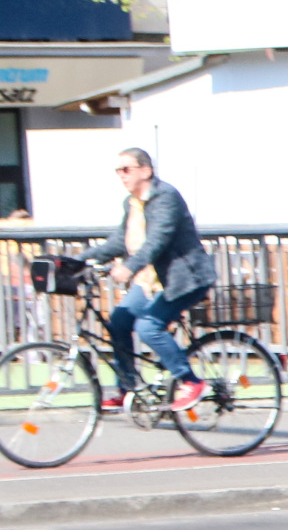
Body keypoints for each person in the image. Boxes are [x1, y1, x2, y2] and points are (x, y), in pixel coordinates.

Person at [84, 148, 217, 413]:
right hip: (150, 281)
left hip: (184, 279)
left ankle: (190, 381)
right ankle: (129, 388)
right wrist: (77, 260)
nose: (121, 176)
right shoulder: (131, 203)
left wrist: (129, 267)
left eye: (126, 169)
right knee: (119, 322)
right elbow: (119, 242)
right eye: (118, 171)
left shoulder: (165, 196)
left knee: (149, 327)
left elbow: (157, 241)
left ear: (145, 171)